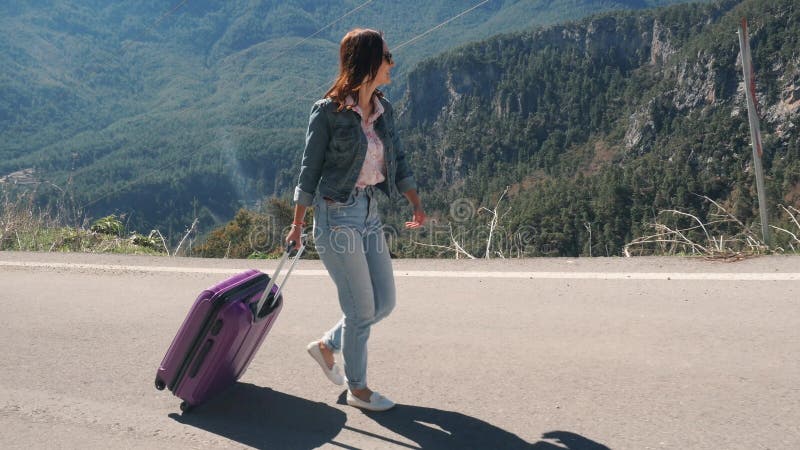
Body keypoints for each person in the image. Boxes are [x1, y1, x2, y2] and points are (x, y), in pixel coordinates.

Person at [285, 28, 425, 412]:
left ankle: (327, 346)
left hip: (368, 212)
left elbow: (399, 157)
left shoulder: (383, 109)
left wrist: (414, 200)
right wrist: (297, 224)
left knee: (384, 303)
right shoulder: (327, 112)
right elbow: (308, 170)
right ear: (367, 62)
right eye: (386, 55)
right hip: (336, 216)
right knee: (360, 311)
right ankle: (358, 390)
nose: (392, 62)